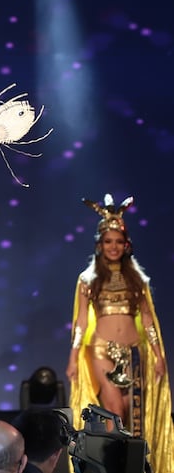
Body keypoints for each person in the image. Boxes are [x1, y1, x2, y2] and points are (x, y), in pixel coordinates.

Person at [66, 194, 173, 472]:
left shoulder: (138, 279)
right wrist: (74, 356)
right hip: (101, 351)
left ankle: (132, 465)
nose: (113, 247)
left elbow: (148, 319)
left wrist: (159, 355)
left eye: (118, 242)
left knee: (133, 415)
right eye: (108, 241)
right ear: (100, 245)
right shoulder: (87, 280)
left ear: (126, 245)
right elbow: (80, 322)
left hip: (135, 353)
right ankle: (114, 467)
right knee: (115, 411)